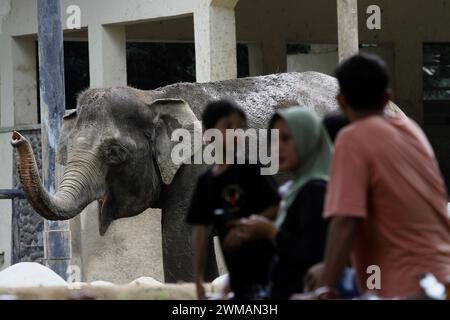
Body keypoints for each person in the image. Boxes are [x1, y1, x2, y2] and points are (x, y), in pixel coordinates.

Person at [302, 53, 450, 299]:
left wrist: (324, 287)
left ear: (340, 101)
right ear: (387, 98)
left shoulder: (352, 138)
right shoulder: (412, 131)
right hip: (442, 276)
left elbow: (345, 222)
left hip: (410, 286)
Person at [223, 107, 332, 299]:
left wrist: (270, 232)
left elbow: (314, 256)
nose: (278, 147)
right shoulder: (296, 189)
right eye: (274, 140)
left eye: (287, 139)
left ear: (308, 140)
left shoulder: (315, 190)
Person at [186, 98, 280, 300]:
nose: (236, 133)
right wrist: (197, 279)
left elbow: (278, 207)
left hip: (270, 276)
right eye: (228, 127)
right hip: (239, 280)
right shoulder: (206, 182)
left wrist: (245, 228)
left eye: (241, 127)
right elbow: (200, 231)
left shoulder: (252, 169)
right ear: (207, 134)